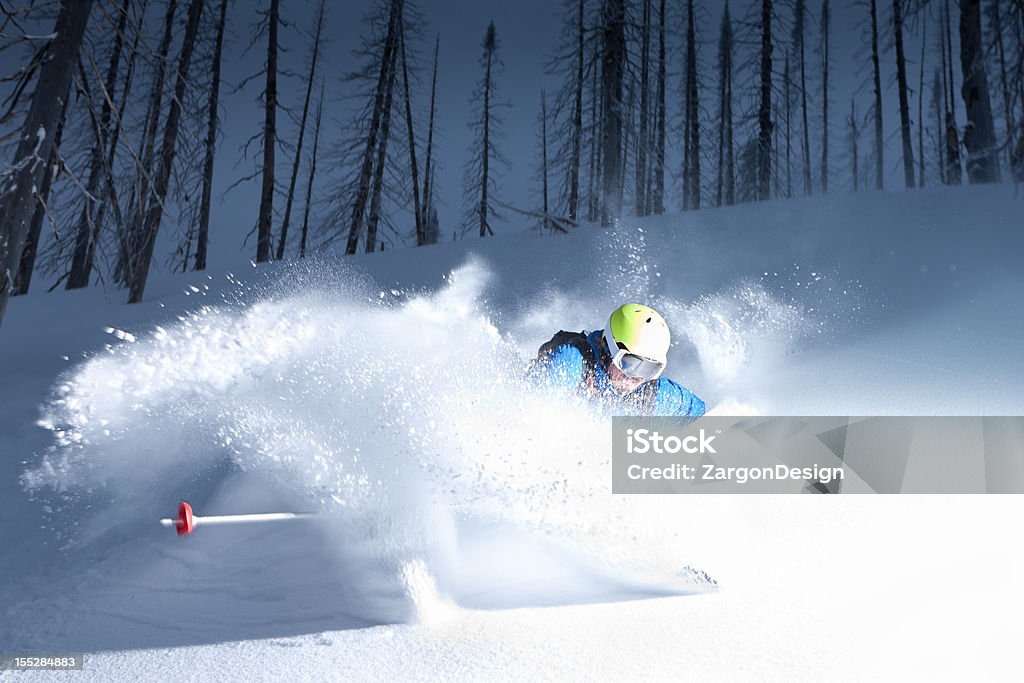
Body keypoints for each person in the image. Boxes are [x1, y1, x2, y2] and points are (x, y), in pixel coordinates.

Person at [531, 303, 705, 418]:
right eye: (630, 363)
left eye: (648, 369)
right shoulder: (570, 364)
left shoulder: (652, 394)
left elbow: (708, 420)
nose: (636, 378)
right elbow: (533, 416)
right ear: (608, 349)